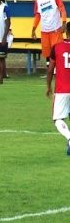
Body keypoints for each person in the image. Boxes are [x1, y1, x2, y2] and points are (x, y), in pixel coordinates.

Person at [46, 22, 70, 155]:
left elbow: (50, 70)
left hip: (62, 89)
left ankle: (69, 138)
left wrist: (48, 87)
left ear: (66, 31)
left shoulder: (57, 48)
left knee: (57, 119)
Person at [32, 0, 66, 71]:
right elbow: (38, 16)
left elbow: (62, 9)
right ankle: (50, 71)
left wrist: (64, 22)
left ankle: (59, 71)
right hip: (44, 31)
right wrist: (33, 29)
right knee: (48, 54)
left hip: (55, 29)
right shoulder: (38, 0)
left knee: (57, 51)